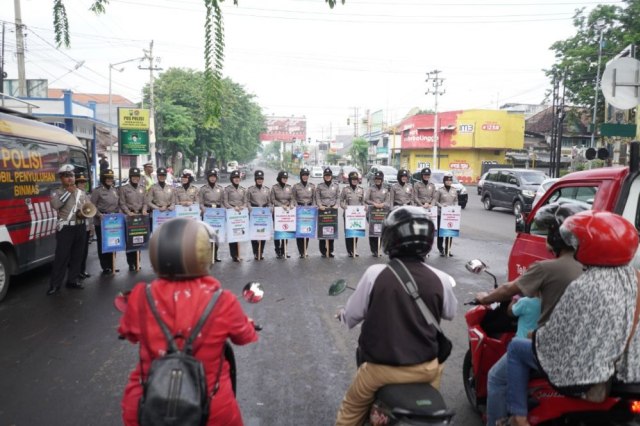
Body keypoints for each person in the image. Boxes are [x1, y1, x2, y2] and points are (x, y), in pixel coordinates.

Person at [117, 218, 259, 426]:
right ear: (205, 255)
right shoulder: (222, 300)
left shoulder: (141, 296)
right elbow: (244, 337)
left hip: (146, 406)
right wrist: (246, 323)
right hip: (210, 408)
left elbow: (128, 332)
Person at [506, 210, 640, 426]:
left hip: (585, 373)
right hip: (628, 371)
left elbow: (556, 334)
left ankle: (518, 417)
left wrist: (535, 335)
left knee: (516, 348)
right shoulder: (634, 277)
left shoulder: (584, 286)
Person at [335, 206, 457, 425]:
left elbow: (352, 316)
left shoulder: (375, 274)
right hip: (426, 369)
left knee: (350, 410)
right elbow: (450, 312)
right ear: (428, 241)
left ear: (390, 239)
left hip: (381, 370)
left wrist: (343, 315)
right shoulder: (442, 279)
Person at [476, 202, 586, 426]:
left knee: (496, 377)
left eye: (549, 231)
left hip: (552, 350)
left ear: (557, 236)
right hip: (583, 350)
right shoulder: (592, 268)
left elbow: (509, 289)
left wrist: (485, 298)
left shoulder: (546, 268)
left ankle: (504, 420)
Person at [47, 164, 90, 295]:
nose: (70, 178)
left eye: (71, 175)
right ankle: (55, 285)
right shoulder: (57, 192)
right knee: (62, 257)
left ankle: (73, 280)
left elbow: (88, 207)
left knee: (78, 255)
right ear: (61, 178)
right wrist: (68, 193)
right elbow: (55, 205)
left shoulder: (81, 193)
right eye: (66, 176)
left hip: (80, 226)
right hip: (66, 228)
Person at [91, 169, 121, 275]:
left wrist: (119, 214)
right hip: (102, 220)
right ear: (103, 179)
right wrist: (99, 215)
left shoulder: (114, 190)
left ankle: (112, 265)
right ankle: (105, 266)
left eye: (111, 178)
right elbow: (92, 206)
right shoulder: (97, 191)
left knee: (113, 242)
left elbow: (118, 205)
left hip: (113, 221)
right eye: (107, 178)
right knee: (103, 244)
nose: (110, 180)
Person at [119, 167, 148, 272]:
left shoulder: (142, 188)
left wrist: (144, 210)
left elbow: (145, 202)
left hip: (140, 216)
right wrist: (128, 212)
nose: (135, 178)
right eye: (134, 176)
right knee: (129, 240)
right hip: (129, 217)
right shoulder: (124, 188)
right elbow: (122, 203)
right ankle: (131, 263)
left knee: (139, 239)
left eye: (137, 177)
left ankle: (137, 262)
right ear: (130, 177)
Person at [198, 169, 223, 262]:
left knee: (216, 234)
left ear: (216, 178)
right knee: (207, 235)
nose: (212, 178)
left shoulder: (220, 188)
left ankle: (215, 255)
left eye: (214, 177)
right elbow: (200, 202)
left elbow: (223, 202)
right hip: (207, 213)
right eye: (211, 177)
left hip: (217, 213)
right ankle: (207, 255)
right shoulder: (203, 189)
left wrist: (222, 211)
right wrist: (202, 208)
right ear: (208, 178)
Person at [364, 171, 390, 257]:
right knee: (373, 231)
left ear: (382, 180)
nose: (377, 180)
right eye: (376, 179)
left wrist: (383, 204)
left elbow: (388, 201)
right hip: (372, 213)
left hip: (382, 213)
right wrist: (373, 203)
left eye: (379, 179)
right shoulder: (370, 189)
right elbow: (366, 199)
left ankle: (378, 249)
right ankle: (373, 249)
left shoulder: (385, 189)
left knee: (381, 231)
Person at [315, 167, 340, 258]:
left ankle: (330, 250)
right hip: (323, 210)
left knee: (331, 230)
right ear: (324, 176)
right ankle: (323, 251)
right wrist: (319, 205)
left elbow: (338, 197)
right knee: (322, 230)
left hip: (333, 210)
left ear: (331, 176)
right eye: (326, 175)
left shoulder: (336, 186)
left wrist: (337, 205)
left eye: (329, 175)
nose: (327, 177)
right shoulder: (320, 186)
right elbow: (317, 197)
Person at [223, 170, 247, 262]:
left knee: (239, 233)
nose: (237, 179)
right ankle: (234, 255)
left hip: (240, 213)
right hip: (231, 213)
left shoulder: (243, 189)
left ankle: (238, 254)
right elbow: (225, 201)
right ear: (232, 179)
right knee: (232, 233)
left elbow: (245, 201)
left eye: (238, 178)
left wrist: (242, 207)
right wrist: (232, 208)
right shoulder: (228, 189)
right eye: (235, 178)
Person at [247, 170, 271, 260]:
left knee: (263, 233)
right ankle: (255, 251)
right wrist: (250, 209)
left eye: (261, 179)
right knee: (254, 234)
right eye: (258, 179)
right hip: (254, 213)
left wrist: (270, 209)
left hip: (264, 213)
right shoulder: (250, 190)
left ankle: (261, 252)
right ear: (255, 179)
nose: (259, 180)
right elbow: (247, 201)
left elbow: (270, 203)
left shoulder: (267, 190)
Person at [340, 171, 365, 257]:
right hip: (348, 215)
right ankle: (349, 250)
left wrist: (365, 207)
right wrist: (344, 207)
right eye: (353, 179)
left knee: (356, 232)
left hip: (358, 215)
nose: (354, 181)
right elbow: (341, 201)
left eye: (356, 179)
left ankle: (354, 249)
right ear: (350, 180)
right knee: (348, 233)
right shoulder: (345, 189)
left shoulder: (361, 190)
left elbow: (363, 202)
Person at [292, 167, 315, 259]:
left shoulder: (312, 186)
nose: (305, 177)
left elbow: (314, 198)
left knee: (307, 230)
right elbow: (293, 197)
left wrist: (313, 205)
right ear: (301, 176)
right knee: (300, 231)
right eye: (303, 175)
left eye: (306, 175)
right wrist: (296, 205)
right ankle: (301, 251)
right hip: (300, 209)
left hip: (309, 210)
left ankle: (305, 249)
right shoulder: (296, 186)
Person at [270, 171, 294, 259]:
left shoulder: (289, 187)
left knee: (286, 231)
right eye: (283, 178)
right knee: (278, 232)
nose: (285, 179)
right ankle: (277, 251)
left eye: (286, 178)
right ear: (280, 178)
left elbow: (292, 198)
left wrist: (291, 204)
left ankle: (284, 250)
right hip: (277, 212)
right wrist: (281, 205)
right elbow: (272, 200)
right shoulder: (274, 188)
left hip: (287, 212)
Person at [433, 172, 458, 257]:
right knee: (441, 233)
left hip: (451, 215)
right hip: (441, 214)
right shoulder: (440, 190)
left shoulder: (454, 190)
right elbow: (435, 201)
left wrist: (455, 207)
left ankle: (448, 250)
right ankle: (441, 249)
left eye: (450, 181)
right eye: (447, 180)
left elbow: (456, 201)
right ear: (444, 181)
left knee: (449, 233)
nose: (448, 182)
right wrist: (441, 206)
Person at [75, 172, 92, 280]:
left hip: (86, 226)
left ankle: (82, 270)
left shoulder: (86, 194)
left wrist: (91, 226)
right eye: (80, 182)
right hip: (77, 226)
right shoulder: (74, 194)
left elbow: (90, 210)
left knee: (84, 250)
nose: (83, 184)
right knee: (77, 251)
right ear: (76, 184)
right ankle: (76, 272)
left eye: (84, 182)